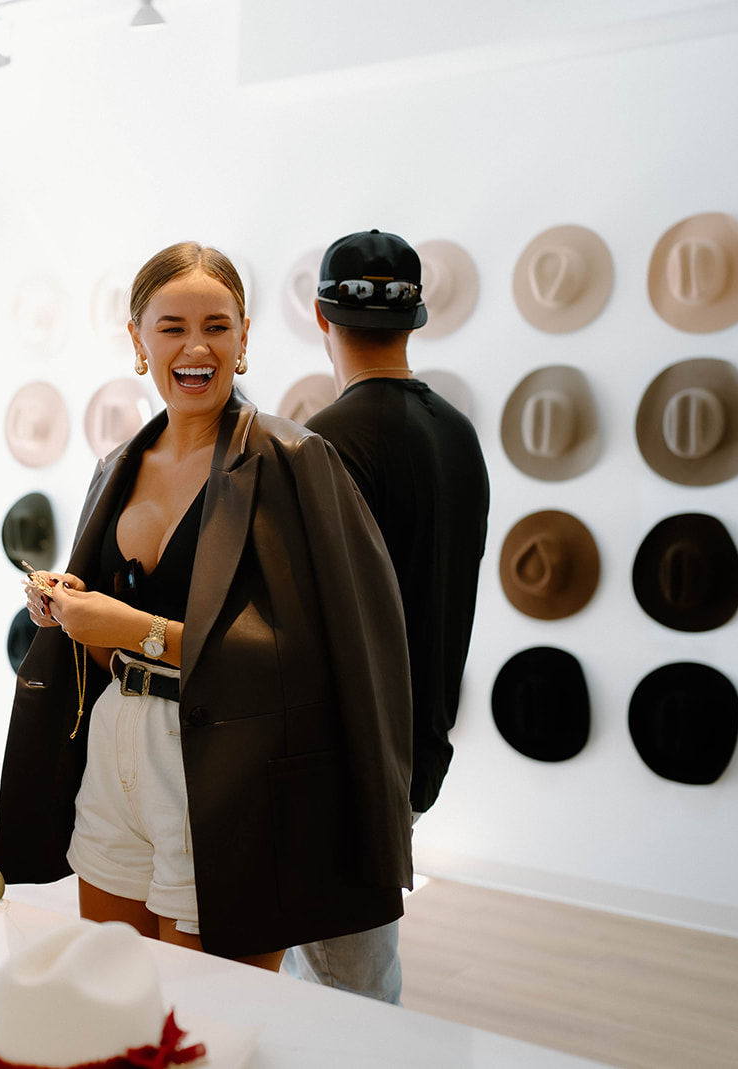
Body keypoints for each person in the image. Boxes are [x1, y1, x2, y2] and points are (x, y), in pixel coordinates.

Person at [0, 241, 414, 971]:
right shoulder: (115, 467)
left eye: (217, 326)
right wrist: (75, 612)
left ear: (245, 336)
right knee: (109, 996)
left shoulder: (296, 463)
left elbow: (317, 656)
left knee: (210, 1020)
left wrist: (137, 629)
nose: (196, 347)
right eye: (171, 326)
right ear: (137, 339)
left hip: (229, 767)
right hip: (115, 759)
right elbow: (105, 648)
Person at [287, 229, 491, 1004]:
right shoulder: (458, 435)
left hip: (340, 756)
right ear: (416, 320)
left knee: (345, 990)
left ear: (319, 315)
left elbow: (303, 624)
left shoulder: (326, 445)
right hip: (416, 740)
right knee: (356, 973)